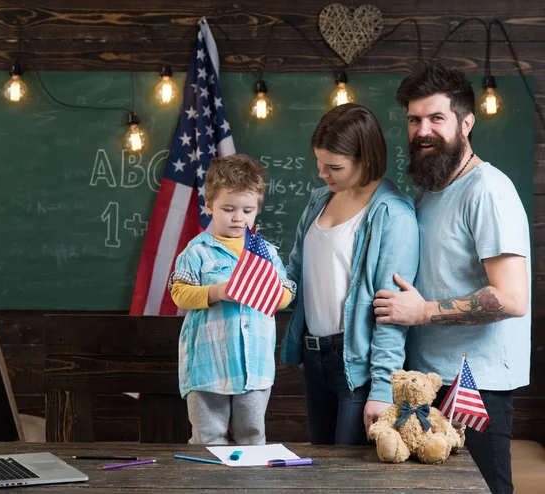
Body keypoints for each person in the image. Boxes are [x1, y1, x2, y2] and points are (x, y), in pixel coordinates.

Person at [373, 61, 531, 494]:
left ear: (466, 123)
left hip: (474, 388)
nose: (423, 130)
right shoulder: (431, 187)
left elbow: (511, 297)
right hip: (423, 384)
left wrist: (423, 311)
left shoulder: (488, 190)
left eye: (436, 118)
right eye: (414, 120)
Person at [281, 103, 420, 445]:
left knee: (350, 477)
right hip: (313, 357)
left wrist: (383, 387)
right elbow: (294, 276)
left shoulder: (394, 214)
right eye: (319, 164)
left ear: (367, 159)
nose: (322, 174)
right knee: (320, 474)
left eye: (334, 167)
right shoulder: (318, 200)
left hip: (358, 365)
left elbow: (393, 311)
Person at [168, 153, 296, 445]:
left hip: (255, 367)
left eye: (248, 210)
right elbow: (180, 293)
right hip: (207, 366)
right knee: (207, 439)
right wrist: (218, 291)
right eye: (228, 209)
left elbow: (286, 293)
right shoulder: (196, 252)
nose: (238, 218)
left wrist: (275, 294)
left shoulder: (265, 253)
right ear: (209, 205)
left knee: (252, 436)